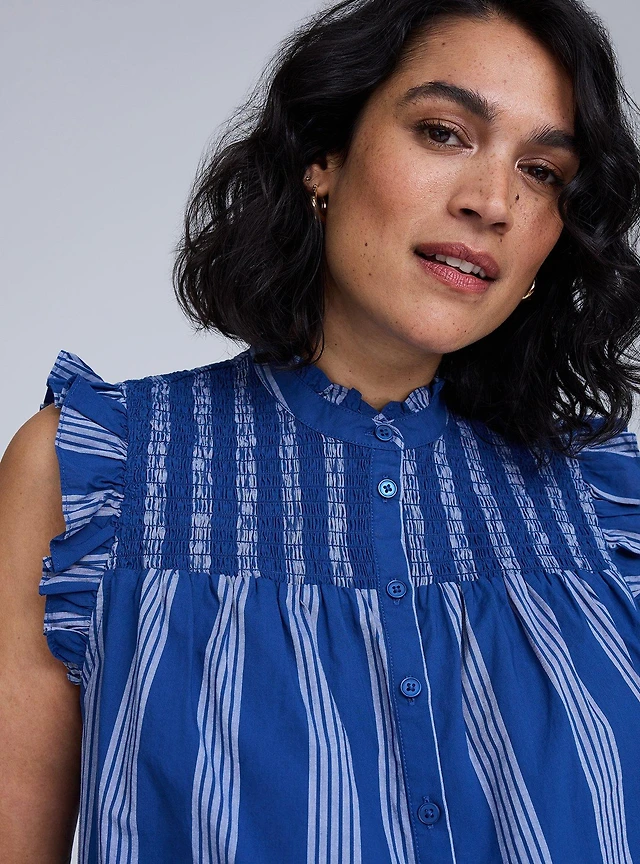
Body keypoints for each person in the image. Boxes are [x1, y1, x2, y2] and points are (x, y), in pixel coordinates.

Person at [2, 0, 640, 860]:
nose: (494, 202)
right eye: (444, 133)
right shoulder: (95, 479)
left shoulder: (611, 510)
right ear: (323, 158)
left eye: (542, 171)